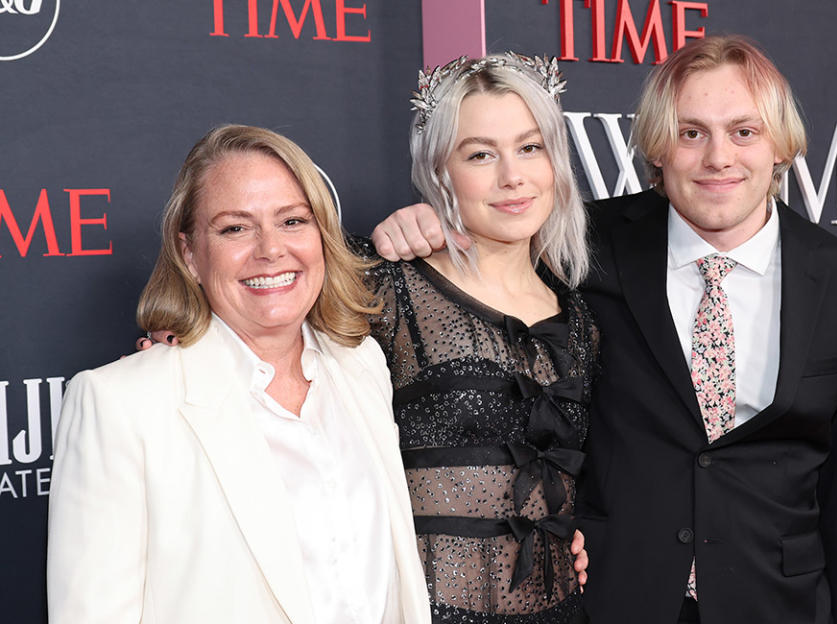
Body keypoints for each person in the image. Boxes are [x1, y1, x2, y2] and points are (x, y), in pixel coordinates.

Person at [371, 36, 837, 624]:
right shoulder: (580, 246)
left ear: (780, 146)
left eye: (743, 131)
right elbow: (490, 249)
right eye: (691, 133)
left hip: (778, 602)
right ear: (656, 148)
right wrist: (426, 220)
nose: (718, 157)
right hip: (610, 596)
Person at [137, 55, 592, 624]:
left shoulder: (582, 316)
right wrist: (181, 341)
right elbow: (258, 296)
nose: (513, 176)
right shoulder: (380, 285)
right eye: (480, 154)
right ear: (439, 169)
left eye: (531, 147)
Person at [47, 125, 431, 624]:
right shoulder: (120, 404)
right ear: (190, 254)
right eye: (235, 228)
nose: (270, 249)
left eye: (293, 221)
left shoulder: (362, 365)